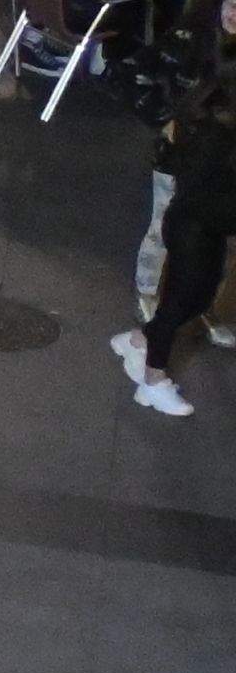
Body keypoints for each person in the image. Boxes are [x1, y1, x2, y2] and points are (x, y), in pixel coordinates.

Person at [121, 57, 236, 415]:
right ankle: (153, 381)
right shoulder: (216, 133)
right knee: (178, 300)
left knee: (198, 297)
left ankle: (139, 340)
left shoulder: (216, 124)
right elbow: (206, 191)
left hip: (206, 226)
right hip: (194, 226)